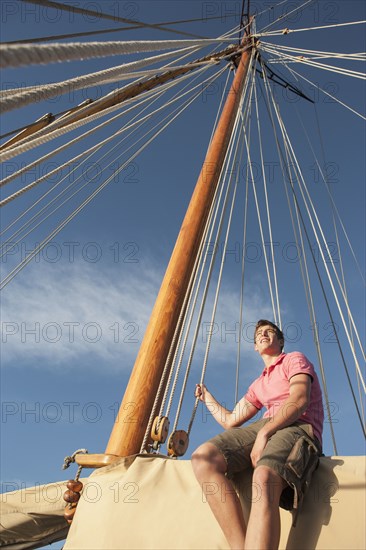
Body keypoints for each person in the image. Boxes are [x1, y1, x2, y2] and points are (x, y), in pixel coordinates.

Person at [191, 319, 324, 550]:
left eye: (269, 331)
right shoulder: (259, 384)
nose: (263, 334)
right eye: (258, 334)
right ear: (255, 346)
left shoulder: (293, 359)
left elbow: (300, 399)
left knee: (264, 477)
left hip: (298, 425)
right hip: (266, 425)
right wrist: (207, 398)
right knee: (204, 458)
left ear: (280, 341)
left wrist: (264, 434)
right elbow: (231, 420)